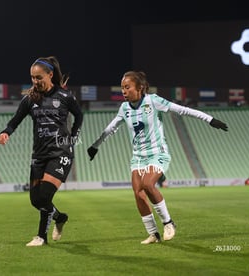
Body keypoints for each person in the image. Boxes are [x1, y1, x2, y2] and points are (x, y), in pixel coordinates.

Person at [87, 71, 228, 244]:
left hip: (157, 153)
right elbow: (111, 128)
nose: (123, 91)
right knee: (138, 193)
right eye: (122, 88)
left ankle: (169, 223)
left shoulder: (153, 101)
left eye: (127, 87)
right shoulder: (124, 108)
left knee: (147, 184)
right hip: (138, 157)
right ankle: (153, 234)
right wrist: (95, 146)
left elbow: (182, 110)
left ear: (140, 87)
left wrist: (210, 119)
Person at [0, 56, 83, 246]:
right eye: (32, 78)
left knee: (45, 196)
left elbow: (79, 115)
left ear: (50, 75)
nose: (35, 82)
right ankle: (60, 218)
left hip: (61, 153)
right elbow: (15, 120)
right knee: (36, 200)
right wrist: (6, 132)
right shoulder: (30, 99)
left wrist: (74, 136)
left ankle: (41, 237)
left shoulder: (65, 97)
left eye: (39, 77)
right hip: (39, 155)